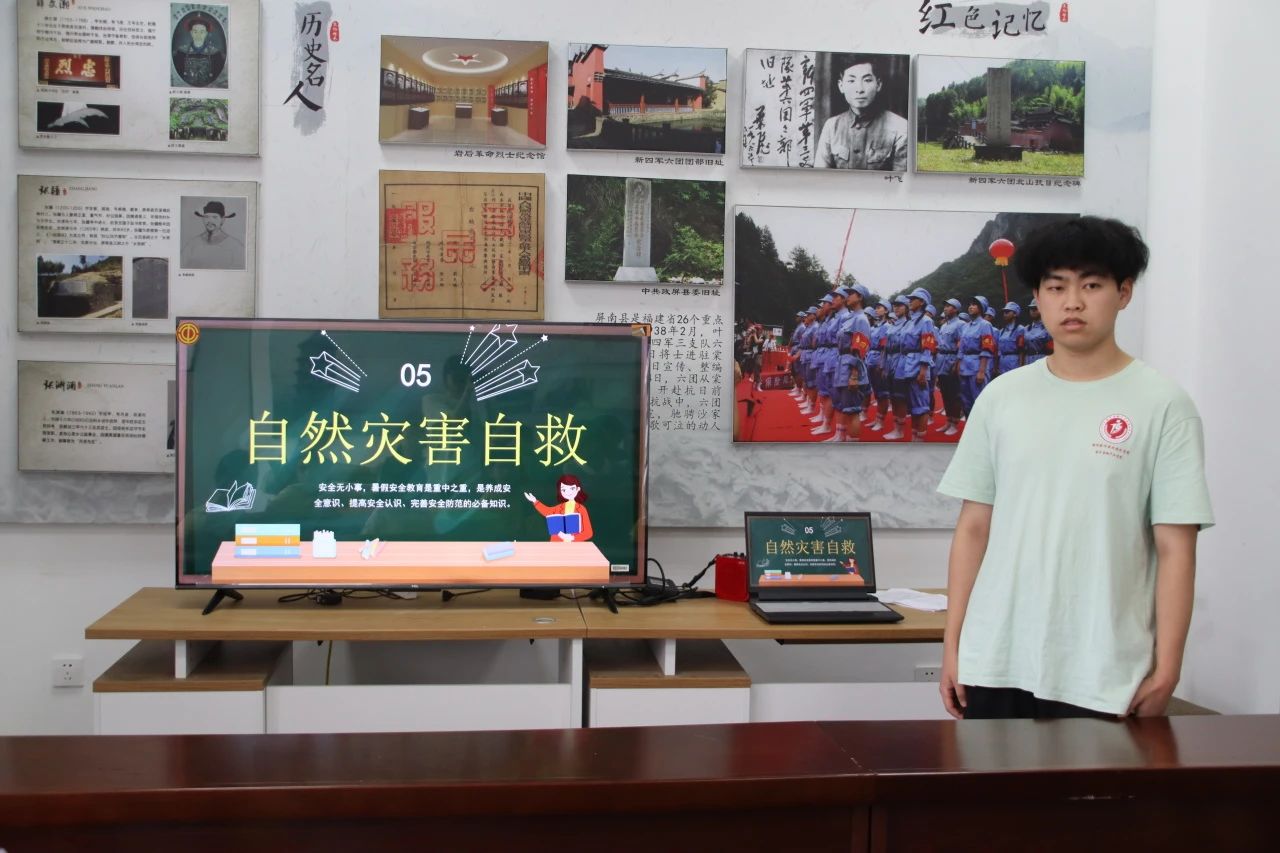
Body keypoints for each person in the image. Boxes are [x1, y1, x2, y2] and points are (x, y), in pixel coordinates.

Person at [936, 216, 1213, 720]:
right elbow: (974, 527)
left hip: (1105, 672)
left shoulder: (1163, 405)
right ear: (1038, 297)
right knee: (987, 777)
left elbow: (1177, 547)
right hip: (995, 660)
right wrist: (953, 644)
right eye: (1056, 286)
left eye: (1091, 285)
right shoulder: (1001, 397)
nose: (1073, 302)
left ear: (1123, 293)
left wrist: (1168, 667)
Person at [814, 54, 908, 171]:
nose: (859, 89)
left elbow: (899, 179)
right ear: (841, 86)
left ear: (878, 84)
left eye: (867, 80)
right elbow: (820, 176)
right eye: (851, 81)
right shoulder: (831, 126)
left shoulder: (901, 127)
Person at [886, 287, 936, 441]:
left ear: (921, 302)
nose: (910, 301)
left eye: (913, 299)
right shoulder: (910, 322)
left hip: (918, 365)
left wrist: (923, 371)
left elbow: (928, 347)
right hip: (905, 365)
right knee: (912, 405)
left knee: (921, 405)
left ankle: (920, 439)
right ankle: (915, 437)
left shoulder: (926, 321)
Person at [956, 295, 996, 417]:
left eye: (974, 305)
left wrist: (982, 371)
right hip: (965, 367)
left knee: (979, 401)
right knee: (966, 401)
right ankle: (970, 426)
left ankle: (983, 428)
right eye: (970, 304)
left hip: (977, 366)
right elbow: (961, 348)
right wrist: (958, 365)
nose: (970, 307)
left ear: (981, 308)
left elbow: (986, 349)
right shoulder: (966, 326)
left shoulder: (985, 325)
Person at [524, 474, 594, 542]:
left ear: (578, 489)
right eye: (564, 490)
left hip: (575, 546)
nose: (568, 492)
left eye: (572, 488)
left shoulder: (581, 509)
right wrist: (535, 501)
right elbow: (547, 511)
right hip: (557, 544)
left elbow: (588, 533)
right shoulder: (559, 507)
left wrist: (572, 537)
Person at [181, 200, 245, 270]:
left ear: (222, 220)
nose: (210, 221)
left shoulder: (235, 246)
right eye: (206, 217)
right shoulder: (193, 244)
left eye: (214, 217)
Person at [172, 12, 226, 88]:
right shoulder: (180, 52)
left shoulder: (216, 54)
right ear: (191, 33)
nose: (198, 35)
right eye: (195, 31)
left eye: (202, 32)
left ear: (206, 33)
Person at [996, 301, 1027, 376]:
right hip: (1002, 361)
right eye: (1004, 312)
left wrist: (1021, 366)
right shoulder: (1001, 331)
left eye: (1007, 312)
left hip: (1013, 361)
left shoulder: (1020, 329)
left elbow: (1021, 351)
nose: (1005, 314)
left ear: (1015, 314)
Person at [1023, 297, 1052, 364]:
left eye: (1035, 308)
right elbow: (1024, 349)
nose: (1033, 311)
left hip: (1043, 359)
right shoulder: (1026, 329)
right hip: (1029, 360)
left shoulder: (1048, 327)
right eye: (1031, 309)